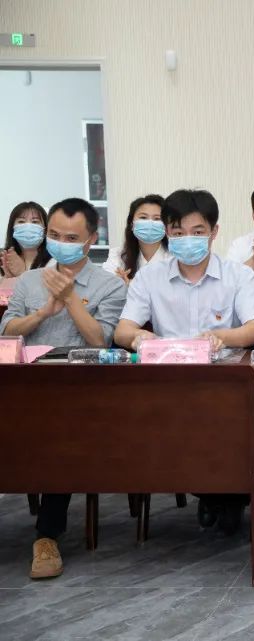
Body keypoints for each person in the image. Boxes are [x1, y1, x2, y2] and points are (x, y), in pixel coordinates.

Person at [115, 189, 254, 536]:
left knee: (230, 422)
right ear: (167, 233)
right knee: (164, 424)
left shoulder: (237, 275)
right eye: (178, 232)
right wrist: (139, 337)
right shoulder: (150, 277)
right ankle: (215, 493)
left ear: (214, 232)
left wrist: (222, 336)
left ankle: (223, 493)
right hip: (170, 380)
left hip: (224, 379)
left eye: (197, 232)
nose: (188, 239)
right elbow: (123, 330)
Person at [0, 197, 126, 579]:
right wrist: (42, 312)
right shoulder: (29, 280)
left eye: (71, 238)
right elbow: (7, 331)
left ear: (90, 241)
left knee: (59, 429)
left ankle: (46, 536)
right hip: (26, 385)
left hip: (81, 390)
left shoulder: (109, 285)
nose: (61, 243)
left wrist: (71, 299)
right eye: (54, 235)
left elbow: (102, 340)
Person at [100, 195, 170, 284]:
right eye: (143, 217)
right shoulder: (117, 255)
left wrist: (132, 286)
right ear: (132, 224)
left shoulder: (175, 257)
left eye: (157, 218)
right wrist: (118, 285)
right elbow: (105, 285)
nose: (150, 223)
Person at [2, 201, 51, 280]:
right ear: (12, 228)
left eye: (35, 222)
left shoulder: (54, 261)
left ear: (45, 229)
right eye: (21, 221)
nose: (28, 226)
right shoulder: (4, 260)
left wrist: (22, 273)